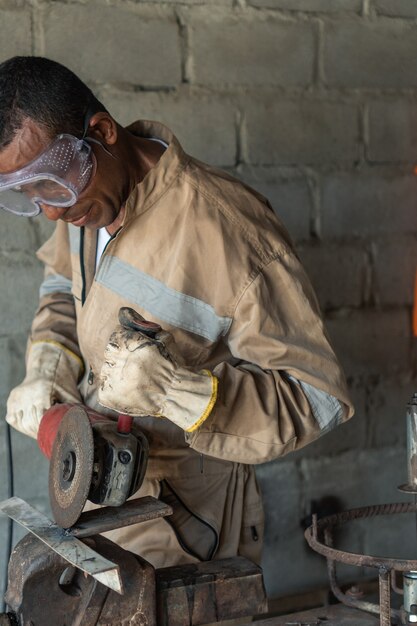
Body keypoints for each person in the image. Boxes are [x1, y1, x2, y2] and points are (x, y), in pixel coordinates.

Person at [1, 56, 354, 568]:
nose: (50, 210)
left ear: (99, 131)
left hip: (188, 523)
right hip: (102, 492)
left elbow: (318, 398)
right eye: (28, 193)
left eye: (49, 183)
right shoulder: (82, 198)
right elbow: (62, 285)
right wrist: (47, 368)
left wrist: (176, 389)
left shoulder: (226, 228)